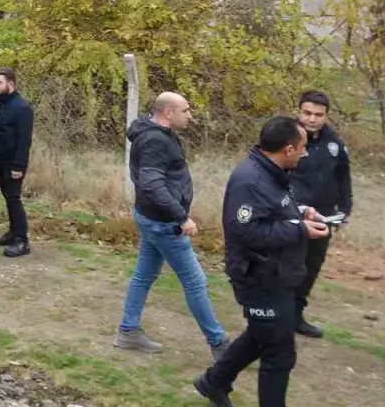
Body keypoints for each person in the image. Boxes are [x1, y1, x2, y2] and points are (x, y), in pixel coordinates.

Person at [195, 117, 330, 407]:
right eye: (303, 148)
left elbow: (273, 210)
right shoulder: (251, 180)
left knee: (261, 336)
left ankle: (212, 383)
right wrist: (299, 229)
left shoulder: (273, 172)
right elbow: (245, 231)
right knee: (279, 353)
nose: (305, 153)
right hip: (258, 276)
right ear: (289, 148)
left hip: (278, 273)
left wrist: (301, 212)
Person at [116, 92, 231, 361]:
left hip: (150, 218)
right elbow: (151, 183)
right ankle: (219, 343)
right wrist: (181, 217)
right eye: (186, 110)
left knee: (144, 275)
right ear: (168, 112)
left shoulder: (157, 134)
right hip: (162, 223)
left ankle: (128, 330)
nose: (190, 115)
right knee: (195, 281)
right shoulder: (156, 140)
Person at [289, 90, 353, 339]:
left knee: (310, 267)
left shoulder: (335, 144)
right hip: (290, 215)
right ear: (298, 111)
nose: (312, 119)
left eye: (318, 114)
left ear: (326, 116)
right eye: (307, 113)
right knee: (286, 267)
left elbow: (343, 177)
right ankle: (275, 316)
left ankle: (296, 316)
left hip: (323, 218)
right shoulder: (286, 137)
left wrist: (344, 209)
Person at [0, 67, 34, 258]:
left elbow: (24, 141)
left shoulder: (22, 108)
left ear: (11, 84)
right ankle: (13, 232)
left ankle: (22, 240)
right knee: (8, 198)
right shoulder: (1, 104)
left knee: (14, 199)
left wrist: (19, 166)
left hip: (13, 162)